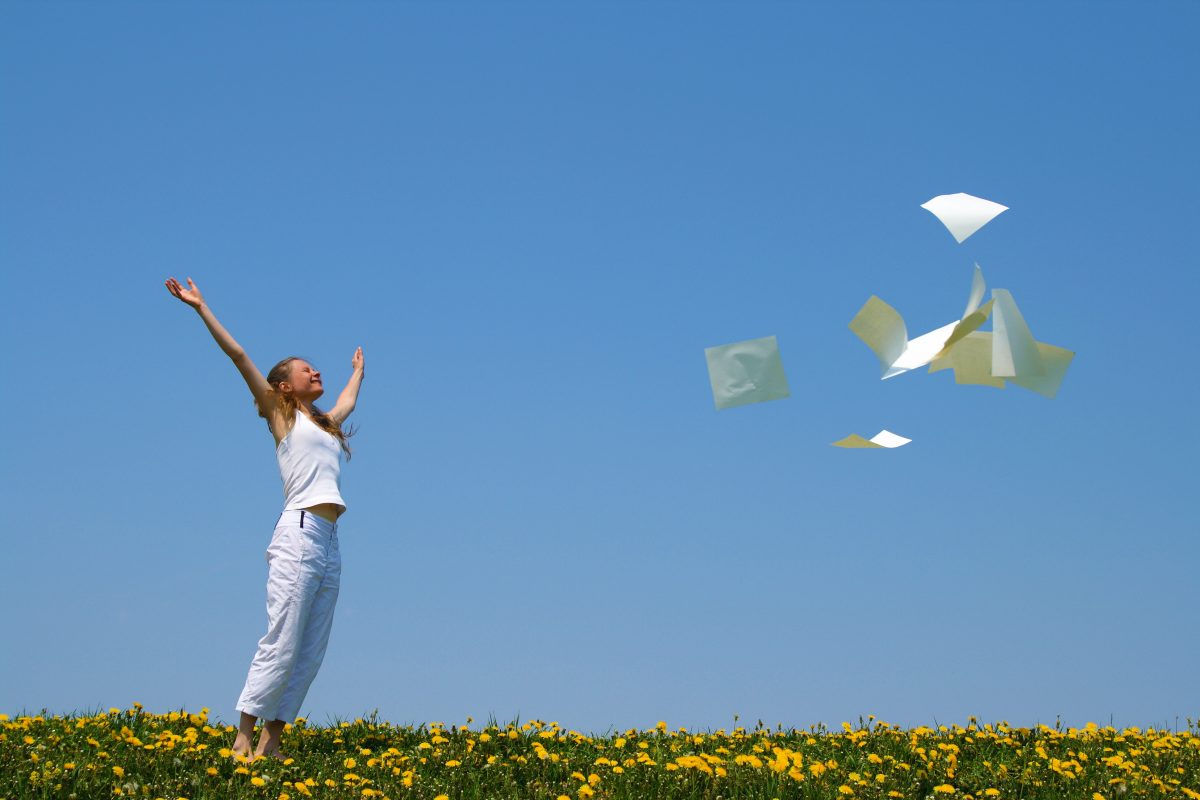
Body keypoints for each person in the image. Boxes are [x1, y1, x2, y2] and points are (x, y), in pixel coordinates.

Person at [165, 276, 365, 760]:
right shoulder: (283, 417)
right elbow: (238, 356)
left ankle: (272, 742)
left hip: (330, 541)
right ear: (282, 386)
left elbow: (347, 403)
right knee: (282, 637)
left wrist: (358, 370)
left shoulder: (323, 423)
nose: (315, 371)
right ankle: (242, 736)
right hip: (297, 532)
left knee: (310, 648)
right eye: (305, 369)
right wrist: (201, 307)